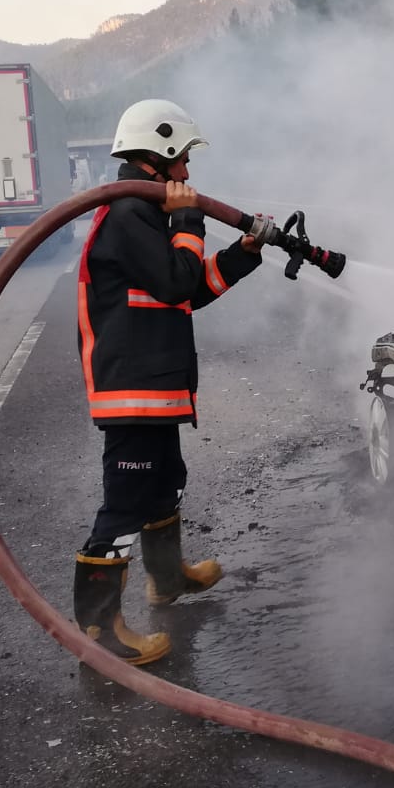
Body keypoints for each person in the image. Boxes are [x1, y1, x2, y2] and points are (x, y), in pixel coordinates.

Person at [72, 98, 264, 666]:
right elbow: (178, 282)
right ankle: (101, 632)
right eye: (182, 160)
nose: (187, 174)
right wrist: (188, 220)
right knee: (126, 503)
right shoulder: (131, 212)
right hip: (133, 389)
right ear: (159, 155)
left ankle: (166, 580)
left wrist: (243, 255)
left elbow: (189, 289)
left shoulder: (144, 214)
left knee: (164, 483)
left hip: (154, 384)